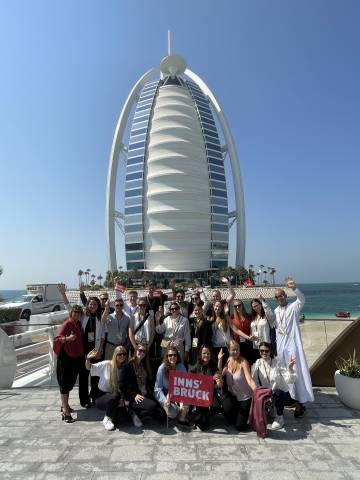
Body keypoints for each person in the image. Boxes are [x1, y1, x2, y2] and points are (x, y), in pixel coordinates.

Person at [58, 283, 104, 407]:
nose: (93, 306)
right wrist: (63, 294)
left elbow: (102, 336)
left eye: (95, 304)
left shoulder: (101, 317)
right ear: (88, 306)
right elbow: (69, 309)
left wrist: (99, 350)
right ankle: (84, 401)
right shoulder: (83, 316)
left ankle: (94, 397)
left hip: (95, 351)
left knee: (95, 376)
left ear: (97, 306)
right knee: (84, 377)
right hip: (83, 352)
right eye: (91, 304)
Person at [273, 278, 314, 417]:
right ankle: (291, 399)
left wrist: (294, 288)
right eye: (277, 296)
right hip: (281, 348)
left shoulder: (293, 307)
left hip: (292, 347)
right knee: (285, 375)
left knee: (296, 374)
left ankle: (300, 403)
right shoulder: (276, 310)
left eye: (281, 295)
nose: (279, 298)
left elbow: (302, 299)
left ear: (285, 296)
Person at [251, 342, 296, 430]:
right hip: (265, 394)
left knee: (278, 392)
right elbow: (254, 382)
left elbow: (289, 380)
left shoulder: (277, 362)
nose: (264, 353)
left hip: (279, 394)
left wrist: (290, 369)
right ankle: (270, 409)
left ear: (270, 351)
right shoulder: (257, 363)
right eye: (261, 351)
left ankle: (280, 417)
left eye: (266, 351)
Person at [85, 345, 130, 431]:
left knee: (123, 419)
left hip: (117, 397)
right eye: (119, 354)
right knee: (115, 396)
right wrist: (88, 359)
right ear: (115, 355)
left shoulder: (126, 367)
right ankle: (107, 418)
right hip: (101, 396)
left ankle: (114, 414)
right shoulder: (107, 364)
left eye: (124, 354)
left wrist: (123, 400)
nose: (122, 356)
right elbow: (89, 367)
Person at [53, 304, 84, 423]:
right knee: (65, 385)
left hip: (75, 358)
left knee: (69, 383)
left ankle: (65, 405)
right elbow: (57, 339)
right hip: (66, 358)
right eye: (75, 312)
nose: (77, 314)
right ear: (71, 313)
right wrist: (68, 338)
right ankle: (66, 412)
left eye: (79, 313)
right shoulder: (67, 323)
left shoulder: (78, 324)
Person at [221, 339, 257, 431]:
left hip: (244, 397)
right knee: (228, 415)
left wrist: (257, 391)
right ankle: (237, 414)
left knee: (239, 427)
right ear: (229, 350)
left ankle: (247, 413)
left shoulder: (243, 362)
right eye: (233, 350)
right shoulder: (228, 360)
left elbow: (249, 380)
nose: (236, 352)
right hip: (233, 395)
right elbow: (221, 373)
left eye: (237, 349)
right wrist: (219, 360)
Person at [154, 346, 191, 426]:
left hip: (178, 392)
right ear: (166, 357)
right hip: (165, 394)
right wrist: (164, 400)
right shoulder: (161, 368)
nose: (173, 357)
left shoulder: (181, 366)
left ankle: (182, 419)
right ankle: (175, 410)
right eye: (170, 355)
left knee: (187, 402)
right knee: (173, 413)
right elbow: (157, 389)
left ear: (177, 356)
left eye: (175, 355)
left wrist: (182, 399)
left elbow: (186, 384)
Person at [128, 343, 163, 423]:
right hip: (136, 397)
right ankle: (132, 412)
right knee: (152, 407)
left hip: (145, 394)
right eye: (140, 350)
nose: (142, 353)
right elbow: (123, 385)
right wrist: (133, 395)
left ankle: (141, 414)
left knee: (162, 415)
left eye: (144, 351)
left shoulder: (144, 364)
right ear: (136, 350)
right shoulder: (129, 365)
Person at [190, 345, 223, 430]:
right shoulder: (197, 366)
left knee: (216, 406)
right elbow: (189, 375)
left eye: (208, 353)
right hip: (199, 396)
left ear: (210, 354)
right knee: (202, 426)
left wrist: (220, 360)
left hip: (210, 394)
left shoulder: (213, 366)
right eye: (204, 353)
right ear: (200, 354)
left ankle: (208, 414)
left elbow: (218, 376)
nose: (206, 355)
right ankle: (199, 414)